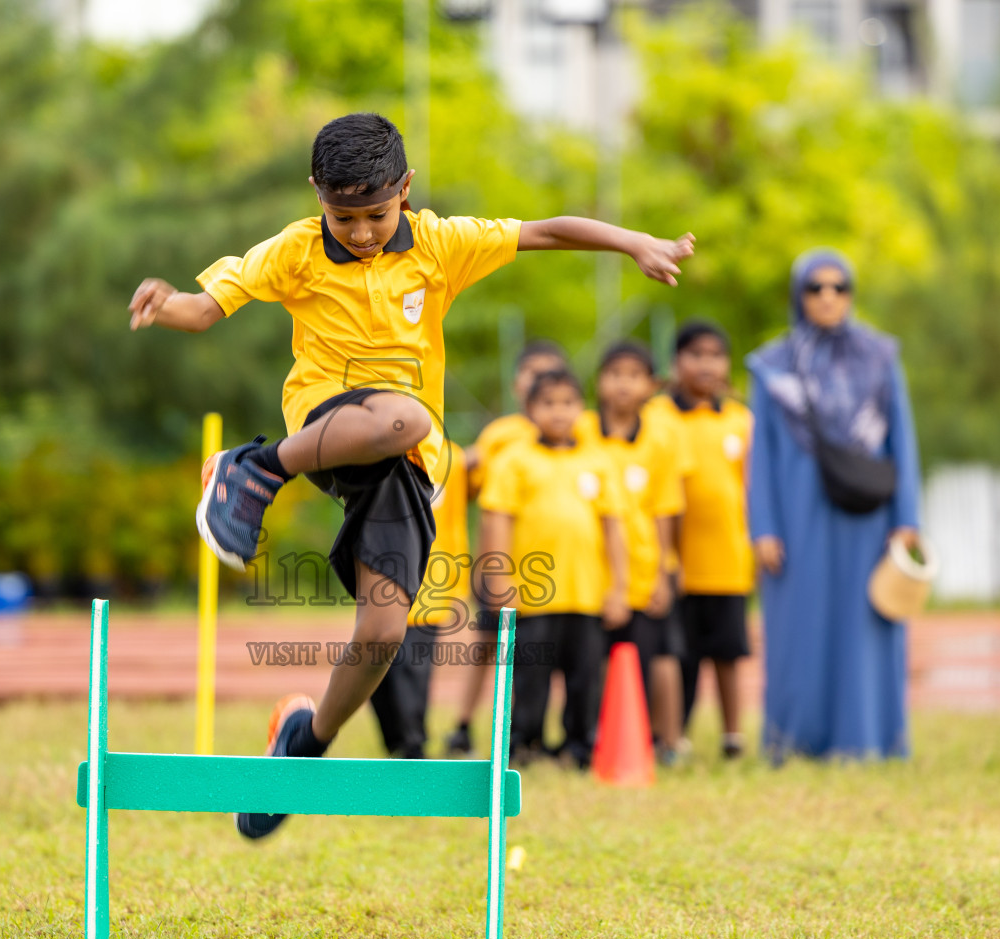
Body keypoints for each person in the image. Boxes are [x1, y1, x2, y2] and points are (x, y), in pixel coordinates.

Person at [128, 113, 695, 837]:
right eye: (343, 216)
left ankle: (305, 746)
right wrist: (165, 303)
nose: (360, 231)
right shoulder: (295, 251)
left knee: (384, 629)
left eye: (375, 213)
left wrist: (634, 243)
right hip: (328, 428)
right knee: (404, 417)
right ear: (316, 195)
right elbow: (208, 307)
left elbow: (545, 232)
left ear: (406, 188)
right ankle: (254, 469)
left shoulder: (441, 244)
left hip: (406, 468)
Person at [746, 249, 921, 761]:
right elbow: (763, 456)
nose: (827, 297)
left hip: (869, 518)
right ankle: (794, 740)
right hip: (797, 517)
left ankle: (866, 739)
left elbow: (903, 443)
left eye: (839, 287)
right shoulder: (772, 368)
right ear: (798, 297)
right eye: (815, 288)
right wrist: (764, 526)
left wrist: (907, 518)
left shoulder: (880, 358)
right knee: (798, 627)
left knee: (867, 626)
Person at [477, 367, 629, 767]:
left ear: (581, 408)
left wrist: (619, 587)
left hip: (586, 594)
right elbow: (497, 520)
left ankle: (580, 745)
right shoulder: (514, 461)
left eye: (567, 403)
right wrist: (498, 578)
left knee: (585, 678)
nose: (558, 412)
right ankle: (524, 745)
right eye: (548, 404)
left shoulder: (598, 460)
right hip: (533, 595)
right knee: (530, 677)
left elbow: (614, 528)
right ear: (529, 409)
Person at [442, 339, 570, 756]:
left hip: (555, 564)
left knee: (545, 653)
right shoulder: (502, 435)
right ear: (518, 384)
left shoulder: (574, 431)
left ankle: (534, 728)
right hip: (503, 560)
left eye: (549, 372)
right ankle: (464, 721)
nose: (539, 380)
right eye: (532, 373)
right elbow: (470, 484)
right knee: (488, 644)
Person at [575, 340, 688, 765]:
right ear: (600, 382)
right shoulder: (581, 428)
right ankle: (598, 738)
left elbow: (665, 510)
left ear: (650, 385)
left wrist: (663, 571)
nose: (624, 384)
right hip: (591, 570)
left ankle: (669, 742)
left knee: (658, 655)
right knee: (593, 659)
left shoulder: (660, 439)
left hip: (644, 567)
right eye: (615, 374)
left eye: (635, 375)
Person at [655, 320, 754, 759]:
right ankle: (676, 736)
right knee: (680, 656)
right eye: (696, 354)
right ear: (676, 362)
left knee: (729, 654)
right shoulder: (658, 416)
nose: (706, 364)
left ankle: (734, 736)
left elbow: (754, 489)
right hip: (678, 564)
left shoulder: (740, 419)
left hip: (729, 560)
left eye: (715, 355)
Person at [367, 439, 470, 759]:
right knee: (374, 666)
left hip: (430, 578)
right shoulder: (375, 448)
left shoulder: (451, 457)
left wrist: (458, 581)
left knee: (413, 666)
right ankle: (396, 741)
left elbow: (455, 522)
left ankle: (414, 746)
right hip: (381, 573)